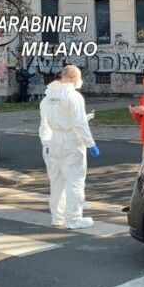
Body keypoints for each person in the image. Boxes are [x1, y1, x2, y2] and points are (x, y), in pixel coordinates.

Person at [39, 65, 100, 230]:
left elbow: (44, 123)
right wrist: (91, 144)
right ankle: (73, 219)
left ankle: (56, 217)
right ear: (73, 78)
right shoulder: (74, 96)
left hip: (53, 140)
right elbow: (79, 123)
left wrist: (45, 142)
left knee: (57, 181)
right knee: (75, 180)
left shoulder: (48, 96)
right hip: (71, 141)